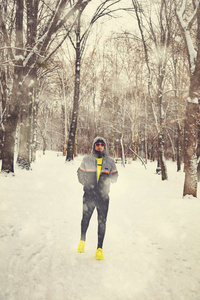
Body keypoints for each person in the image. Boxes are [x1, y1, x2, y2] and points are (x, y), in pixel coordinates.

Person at [77, 137, 118, 260]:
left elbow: (115, 177)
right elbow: (79, 174)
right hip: (89, 196)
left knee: (102, 222)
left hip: (103, 197)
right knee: (85, 219)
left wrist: (106, 182)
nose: (99, 146)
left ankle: (99, 249)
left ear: (104, 146)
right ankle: (82, 240)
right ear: (94, 146)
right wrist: (87, 185)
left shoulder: (110, 162)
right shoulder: (86, 160)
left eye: (102, 144)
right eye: (97, 144)